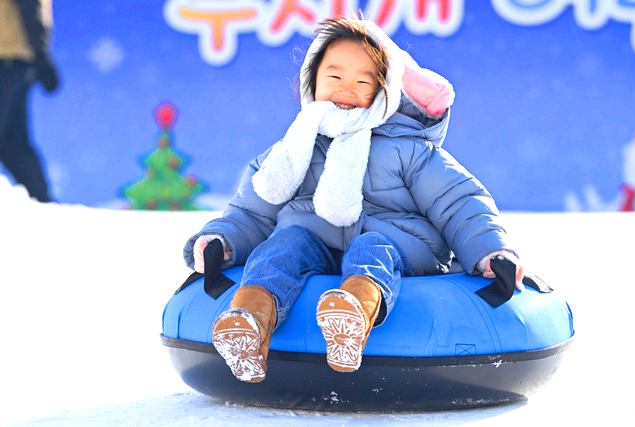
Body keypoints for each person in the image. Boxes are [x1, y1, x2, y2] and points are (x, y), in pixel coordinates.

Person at [183, 17, 524, 383]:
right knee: (283, 245)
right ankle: (249, 322)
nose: (347, 89)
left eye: (363, 81)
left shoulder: (407, 148)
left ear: (383, 91)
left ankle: (352, 315)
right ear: (311, 83)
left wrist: (490, 250)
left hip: (398, 243)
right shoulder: (294, 149)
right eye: (334, 77)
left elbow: (458, 202)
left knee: (371, 247)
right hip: (314, 243)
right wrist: (222, 240)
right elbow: (253, 212)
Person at [0, 0, 59, 202]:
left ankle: (42, 205)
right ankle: (42, 202)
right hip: (11, 55)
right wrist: (40, 54)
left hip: (11, 55)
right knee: (12, 141)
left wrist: (39, 54)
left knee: (12, 140)